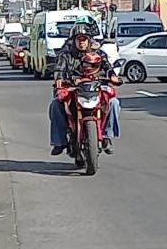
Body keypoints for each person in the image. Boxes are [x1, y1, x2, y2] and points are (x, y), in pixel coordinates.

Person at [49, 24, 121, 156]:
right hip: (72, 88)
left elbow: (108, 67)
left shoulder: (98, 54)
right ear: (73, 40)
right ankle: (59, 142)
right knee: (56, 105)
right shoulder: (65, 55)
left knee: (114, 103)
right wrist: (59, 77)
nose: (81, 42)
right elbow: (59, 69)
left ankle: (106, 136)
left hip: (95, 88)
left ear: (89, 40)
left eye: (84, 39)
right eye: (79, 39)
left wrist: (112, 76)